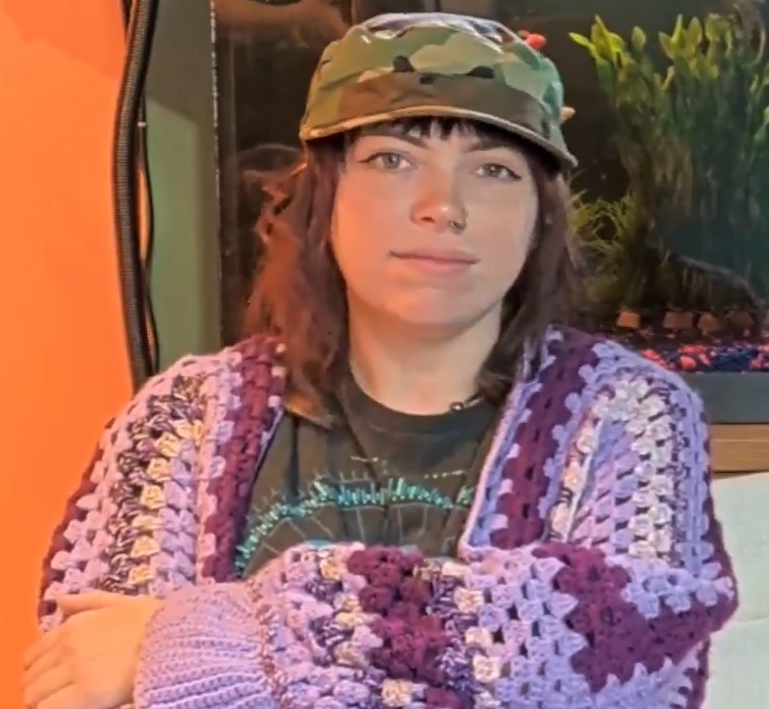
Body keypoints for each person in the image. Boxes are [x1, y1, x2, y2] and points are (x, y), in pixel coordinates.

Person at [22, 12, 738, 709]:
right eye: (392, 160)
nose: (442, 206)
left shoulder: (626, 414)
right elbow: (91, 673)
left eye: (493, 169)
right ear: (322, 195)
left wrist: (200, 642)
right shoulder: (183, 418)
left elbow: (624, 653)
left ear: (540, 216)